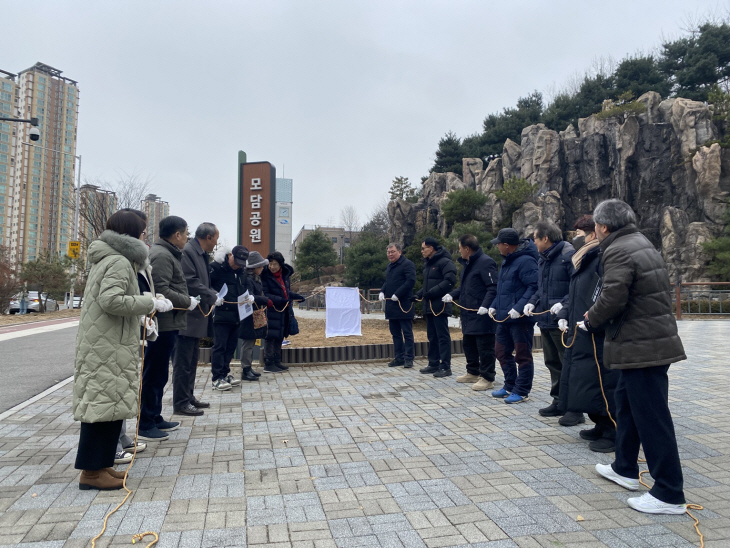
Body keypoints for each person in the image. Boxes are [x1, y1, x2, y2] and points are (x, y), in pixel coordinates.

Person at [588, 200, 688, 515]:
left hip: (642, 346)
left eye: (595, 226)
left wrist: (590, 318)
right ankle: (625, 467)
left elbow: (613, 296)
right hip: (646, 343)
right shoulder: (640, 242)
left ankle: (669, 493)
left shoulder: (618, 250)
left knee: (652, 418)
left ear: (603, 226)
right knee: (627, 406)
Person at [73, 209, 171, 490]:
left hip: (108, 343)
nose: (145, 238)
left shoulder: (112, 258)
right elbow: (112, 301)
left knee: (108, 406)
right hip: (107, 346)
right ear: (131, 235)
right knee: (103, 407)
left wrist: (146, 301)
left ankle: (102, 465)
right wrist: (148, 302)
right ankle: (91, 473)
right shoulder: (118, 261)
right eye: (142, 233)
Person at [557, 215, 618, 453]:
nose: (576, 238)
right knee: (587, 380)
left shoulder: (602, 258)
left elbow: (605, 293)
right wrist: (565, 312)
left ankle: (613, 430)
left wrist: (593, 318)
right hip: (580, 331)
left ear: (593, 233)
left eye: (580, 233)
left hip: (597, 333)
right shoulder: (584, 259)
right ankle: (599, 424)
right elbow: (575, 294)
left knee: (604, 381)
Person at [138, 215, 194, 439]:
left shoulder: (168, 253)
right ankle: (145, 422)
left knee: (160, 373)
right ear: (177, 235)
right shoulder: (161, 255)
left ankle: (154, 416)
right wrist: (187, 301)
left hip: (169, 323)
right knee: (154, 372)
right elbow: (161, 289)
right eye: (186, 233)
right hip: (162, 323)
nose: (187, 238)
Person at [524, 221, 581, 425]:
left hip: (562, 321)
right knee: (552, 363)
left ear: (545, 238)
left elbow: (576, 288)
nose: (534, 243)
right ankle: (558, 401)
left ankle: (575, 408)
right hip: (546, 320)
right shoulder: (543, 259)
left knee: (569, 364)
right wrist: (532, 303)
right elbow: (541, 289)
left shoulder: (568, 255)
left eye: (535, 239)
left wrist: (563, 306)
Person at [173, 222, 220, 416]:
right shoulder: (189, 252)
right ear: (208, 237)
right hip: (187, 317)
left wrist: (211, 293)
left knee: (191, 361)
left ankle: (188, 396)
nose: (217, 242)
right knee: (183, 362)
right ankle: (181, 402)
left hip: (196, 316)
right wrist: (212, 295)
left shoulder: (199, 253)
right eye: (216, 238)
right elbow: (190, 281)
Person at [488, 228, 538, 404]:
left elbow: (534, 287)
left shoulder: (526, 262)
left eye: (499, 244)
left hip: (520, 319)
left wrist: (519, 308)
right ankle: (510, 385)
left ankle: (522, 390)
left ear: (507, 245)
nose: (497, 247)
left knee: (522, 355)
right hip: (504, 318)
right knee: (501, 351)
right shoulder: (507, 261)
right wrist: (493, 306)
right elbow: (503, 289)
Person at [444, 234, 498, 391]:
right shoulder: (468, 264)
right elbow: (465, 287)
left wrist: (486, 305)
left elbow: (493, 287)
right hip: (468, 314)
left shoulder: (486, 262)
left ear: (467, 248)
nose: (459, 251)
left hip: (481, 313)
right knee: (469, 344)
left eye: (460, 248)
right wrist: (452, 294)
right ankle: (473, 371)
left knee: (485, 346)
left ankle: (488, 377)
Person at [209, 245, 252, 391]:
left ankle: (225, 373)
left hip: (237, 315)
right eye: (236, 261)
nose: (237, 265)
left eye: (241, 263)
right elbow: (205, 285)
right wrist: (214, 296)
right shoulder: (216, 268)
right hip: (221, 314)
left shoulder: (241, 272)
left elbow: (245, 287)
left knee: (230, 347)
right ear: (230, 256)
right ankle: (216, 377)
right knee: (220, 346)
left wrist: (249, 296)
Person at [416, 237, 457, 378]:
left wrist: (432, 293)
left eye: (423, 248)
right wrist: (419, 294)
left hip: (440, 305)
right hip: (429, 305)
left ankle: (445, 366)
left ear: (431, 248)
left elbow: (450, 281)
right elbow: (428, 285)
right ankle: (433, 363)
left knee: (442, 336)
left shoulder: (445, 262)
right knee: (432, 336)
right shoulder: (428, 264)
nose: (421, 251)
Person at [260, 251, 305, 373]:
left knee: (280, 334)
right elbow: (266, 294)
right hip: (271, 309)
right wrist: (281, 300)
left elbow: (286, 292)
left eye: (275, 264)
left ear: (280, 264)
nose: (272, 267)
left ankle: (276, 360)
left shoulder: (284, 276)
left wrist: (297, 297)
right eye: (270, 264)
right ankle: (268, 363)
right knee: (271, 336)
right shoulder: (265, 276)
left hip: (283, 310)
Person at [379, 243, 416, 368]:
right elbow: (388, 281)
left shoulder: (407, 264)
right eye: (388, 252)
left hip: (403, 304)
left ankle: (409, 358)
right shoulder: (390, 266)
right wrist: (382, 291)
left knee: (407, 332)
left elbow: (410, 281)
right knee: (395, 333)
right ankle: (399, 357)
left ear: (399, 252)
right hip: (392, 306)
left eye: (392, 252)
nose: (390, 254)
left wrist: (398, 294)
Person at [239, 251, 270, 380]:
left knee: (251, 342)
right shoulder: (248, 280)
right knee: (248, 343)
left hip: (254, 315)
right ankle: (245, 369)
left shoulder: (255, 279)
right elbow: (250, 297)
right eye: (260, 266)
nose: (262, 269)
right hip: (248, 316)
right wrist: (265, 300)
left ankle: (248, 367)